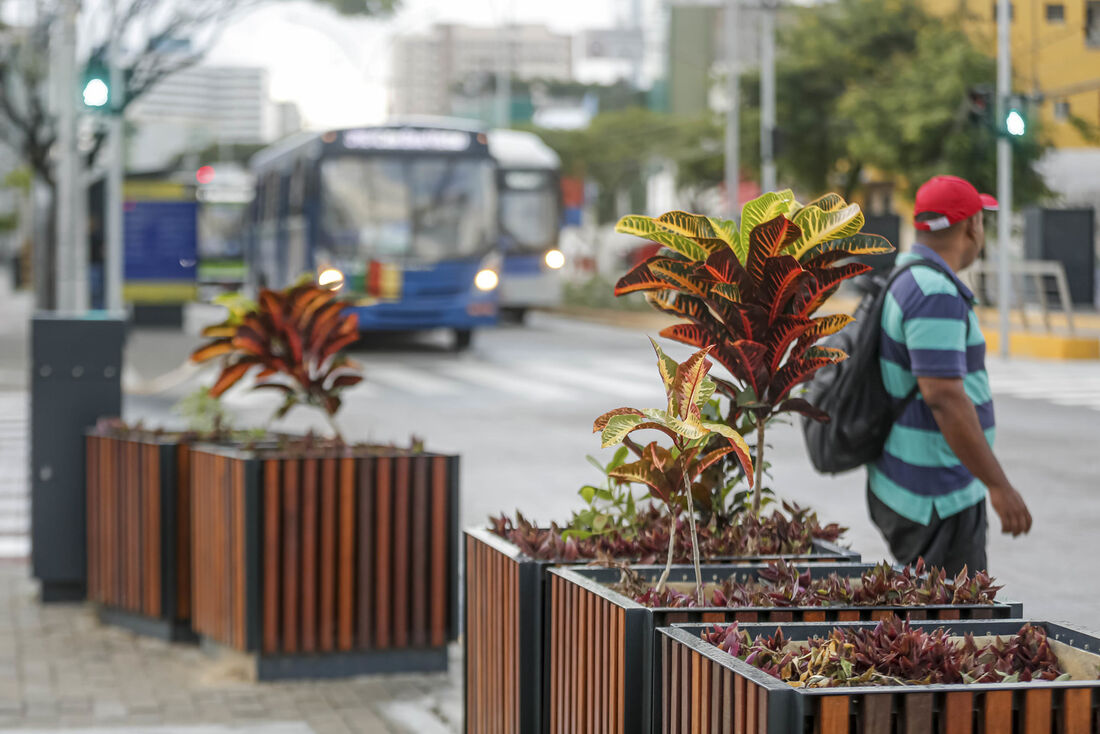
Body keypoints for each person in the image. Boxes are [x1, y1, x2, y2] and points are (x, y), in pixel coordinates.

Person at [867, 174, 1032, 575]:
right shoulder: (933, 292)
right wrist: (998, 485)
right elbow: (943, 397)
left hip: (912, 484)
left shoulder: (906, 278)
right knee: (952, 624)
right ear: (971, 226)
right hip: (937, 496)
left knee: (931, 613)